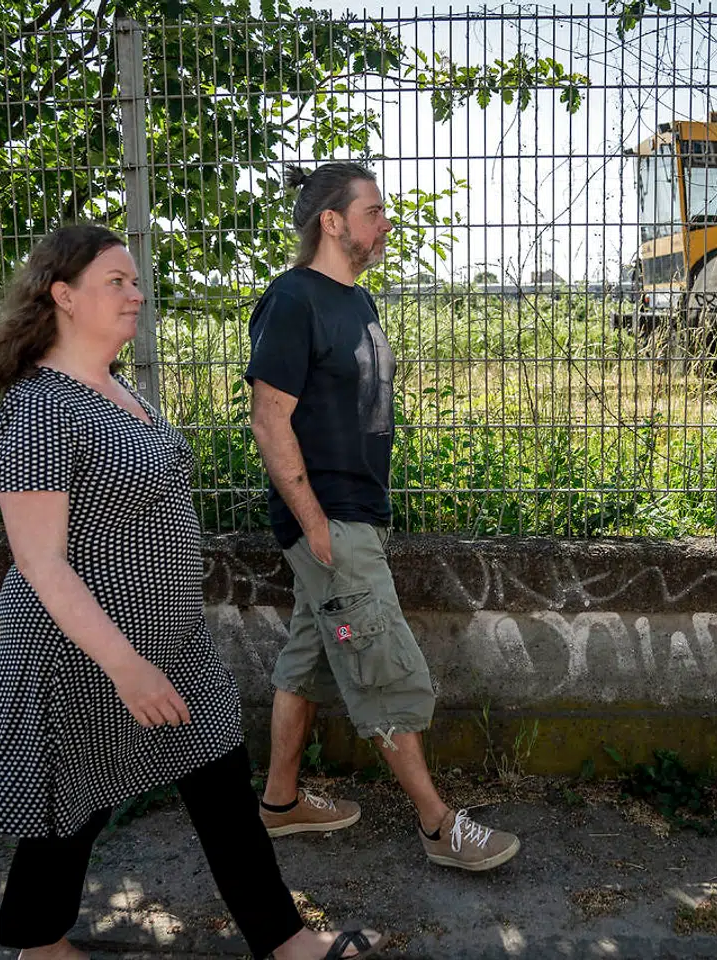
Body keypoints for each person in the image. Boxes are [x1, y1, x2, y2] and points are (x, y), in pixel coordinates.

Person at [0, 224, 381, 960]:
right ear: (64, 296)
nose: (136, 294)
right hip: (83, 653)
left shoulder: (114, 387)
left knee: (219, 777)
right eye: (116, 282)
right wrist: (125, 667)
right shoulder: (40, 407)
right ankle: (39, 944)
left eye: (135, 281)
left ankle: (284, 940)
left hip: (171, 640)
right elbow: (40, 563)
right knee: (72, 799)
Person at [244, 163, 520, 871]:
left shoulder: (357, 300)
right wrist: (314, 523)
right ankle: (437, 825)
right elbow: (270, 419)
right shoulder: (293, 299)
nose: (386, 223)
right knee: (382, 666)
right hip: (330, 519)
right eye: (373, 211)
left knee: (307, 660)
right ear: (331, 222)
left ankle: (279, 803)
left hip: (354, 515)